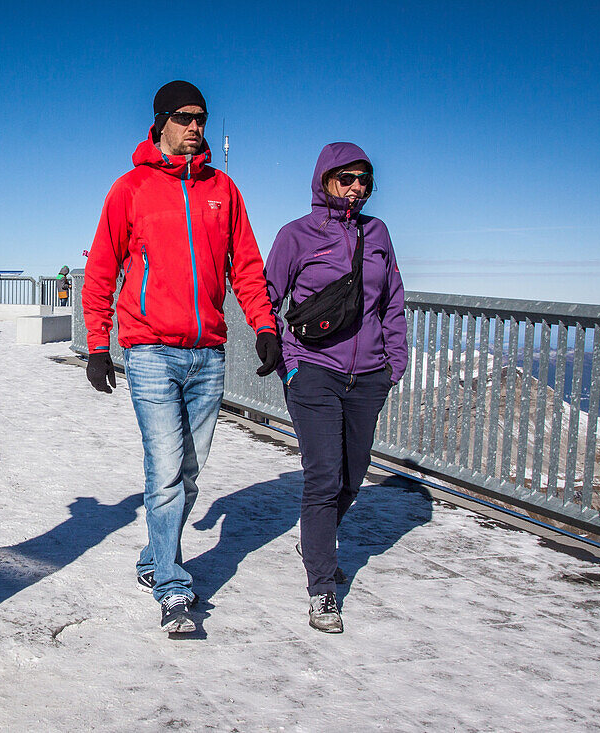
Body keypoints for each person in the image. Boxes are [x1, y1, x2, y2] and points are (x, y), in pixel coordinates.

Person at [82, 80, 281, 634]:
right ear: (160, 122)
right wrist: (98, 346)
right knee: (166, 470)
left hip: (208, 354)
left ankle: (152, 559)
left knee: (189, 473)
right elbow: (101, 271)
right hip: (149, 350)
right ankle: (173, 586)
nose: (197, 126)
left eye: (202, 117)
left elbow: (245, 265)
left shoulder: (224, 190)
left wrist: (264, 324)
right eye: (186, 117)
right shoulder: (131, 188)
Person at [264, 143, 407, 634]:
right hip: (314, 368)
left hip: (368, 375)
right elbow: (266, 296)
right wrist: (289, 363)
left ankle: (315, 540)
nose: (357, 188)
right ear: (325, 179)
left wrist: (394, 363)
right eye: (346, 178)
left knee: (352, 476)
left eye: (364, 179)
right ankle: (322, 586)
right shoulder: (296, 235)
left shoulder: (378, 233)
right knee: (324, 475)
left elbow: (392, 301)